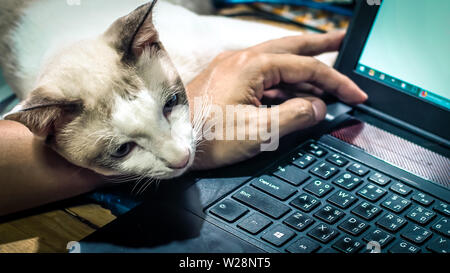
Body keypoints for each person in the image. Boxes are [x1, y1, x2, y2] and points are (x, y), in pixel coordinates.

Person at [0, 32, 367, 216]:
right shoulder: (45, 107)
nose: (180, 156)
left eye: (171, 105)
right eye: (124, 147)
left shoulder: (149, 48)